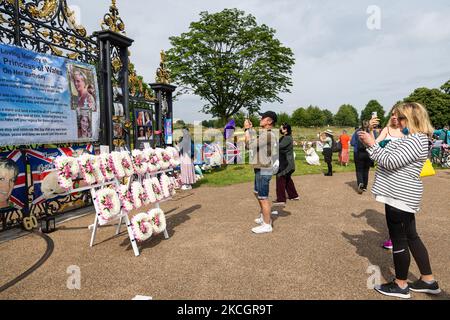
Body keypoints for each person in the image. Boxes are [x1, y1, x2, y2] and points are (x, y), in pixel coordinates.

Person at [359, 102, 441, 299]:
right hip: (402, 194)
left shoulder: (415, 140)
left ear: (413, 119)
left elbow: (389, 161)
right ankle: (428, 280)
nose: (398, 121)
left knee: (400, 239)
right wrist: (373, 144)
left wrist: (371, 144)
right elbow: (389, 156)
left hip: (399, 196)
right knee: (411, 236)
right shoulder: (416, 139)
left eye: (402, 117)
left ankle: (400, 285)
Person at [370, 108, 405, 251]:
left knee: (403, 208)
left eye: (397, 115)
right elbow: (374, 144)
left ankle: (404, 237)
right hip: (387, 175)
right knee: (390, 207)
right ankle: (393, 237)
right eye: (392, 115)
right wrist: (370, 130)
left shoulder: (408, 131)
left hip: (403, 175)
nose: (394, 117)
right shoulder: (387, 129)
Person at [244, 111, 279, 234]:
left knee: (263, 197)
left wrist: (247, 130)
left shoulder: (267, 135)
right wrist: (250, 129)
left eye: (263, 117)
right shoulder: (266, 134)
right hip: (260, 168)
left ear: (269, 121)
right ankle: (264, 216)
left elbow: (249, 145)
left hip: (264, 169)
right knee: (257, 193)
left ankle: (266, 224)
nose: (261, 118)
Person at [274, 123, 299, 206]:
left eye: (281, 128)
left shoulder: (287, 138)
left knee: (280, 177)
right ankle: (293, 195)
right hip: (285, 163)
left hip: (286, 163)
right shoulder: (283, 137)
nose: (280, 129)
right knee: (287, 179)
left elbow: (278, 146)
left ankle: (281, 199)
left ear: (285, 129)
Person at [351, 121, 372, 194]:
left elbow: (352, 142)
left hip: (358, 153)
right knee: (366, 170)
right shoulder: (371, 131)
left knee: (359, 170)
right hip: (369, 153)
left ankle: (360, 183)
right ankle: (365, 187)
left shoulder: (357, 132)